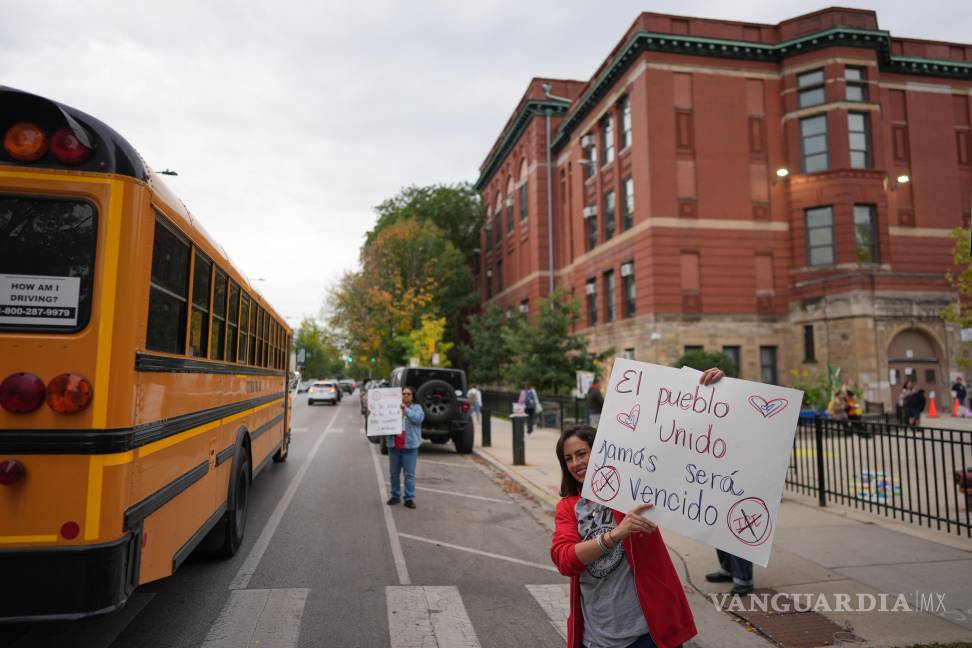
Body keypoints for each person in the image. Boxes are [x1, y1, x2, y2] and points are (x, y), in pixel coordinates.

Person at [550, 367, 725, 648]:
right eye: (568, 459)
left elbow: (677, 443)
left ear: (602, 449)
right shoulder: (569, 507)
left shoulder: (632, 486)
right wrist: (614, 536)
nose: (575, 463)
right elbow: (565, 560)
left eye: (582, 453)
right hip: (597, 636)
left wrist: (710, 393)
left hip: (648, 633)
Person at [386, 386, 424, 509]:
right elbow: (383, 421)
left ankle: (409, 498)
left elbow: (418, 419)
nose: (406, 396)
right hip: (394, 446)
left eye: (409, 394)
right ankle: (395, 496)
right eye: (404, 393)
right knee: (394, 473)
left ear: (413, 396)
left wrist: (406, 410)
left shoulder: (417, 408)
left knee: (409, 475)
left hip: (410, 447)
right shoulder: (392, 406)